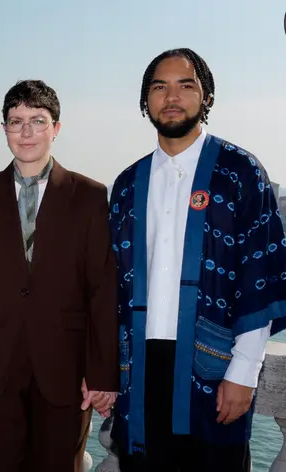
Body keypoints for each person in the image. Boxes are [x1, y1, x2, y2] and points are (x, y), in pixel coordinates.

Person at [108, 48, 286, 472]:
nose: (172, 96)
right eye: (159, 86)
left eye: (185, 85)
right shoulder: (128, 185)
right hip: (140, 373)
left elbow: (260, 275)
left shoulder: (241, 173)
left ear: (205, 97)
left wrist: (244, 372)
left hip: (215, 370)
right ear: (145, 100)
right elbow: (107, 284)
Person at [0, 79, 119, 471]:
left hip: (64, 372)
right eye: (16, 121)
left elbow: (102, 291)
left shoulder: (89, 196)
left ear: (56, 127)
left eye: (37, 120)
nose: (26, 132)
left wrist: (102, 373)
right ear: (3, 130)